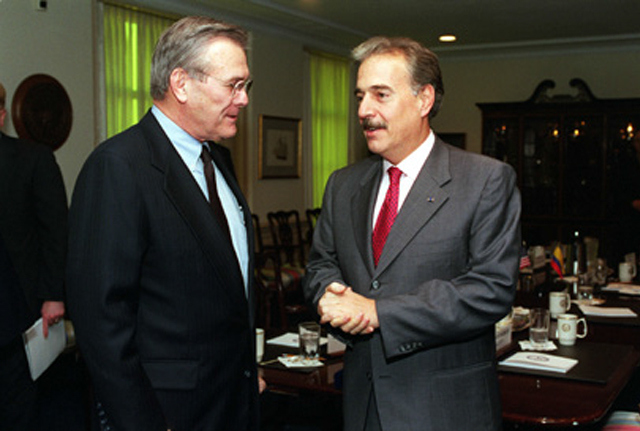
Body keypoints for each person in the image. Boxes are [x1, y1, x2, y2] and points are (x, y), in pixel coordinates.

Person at [303, 36, 521, 431]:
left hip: (445, 409)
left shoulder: (485, 180)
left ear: (424, 100)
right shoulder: (343, 184)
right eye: (360, 96)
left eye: (380, 95)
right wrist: (330, 294)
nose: (364, 111)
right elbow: (321, 264)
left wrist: (378, 312)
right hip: (361, 402)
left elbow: (491, 289)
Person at [66, 16, 263, 431]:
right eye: (234, 85)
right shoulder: (119, 167)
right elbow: (101, 321)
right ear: (182, 83)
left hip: (231, 401)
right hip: (168, 412)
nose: (243, 99)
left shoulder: (219, 161)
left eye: (245, 85)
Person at [0, 81, 68, 430]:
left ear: (0, 115)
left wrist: (54, 296)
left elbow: (56, 232)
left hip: (18, 311)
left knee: (19, 406)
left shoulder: (33, 159)